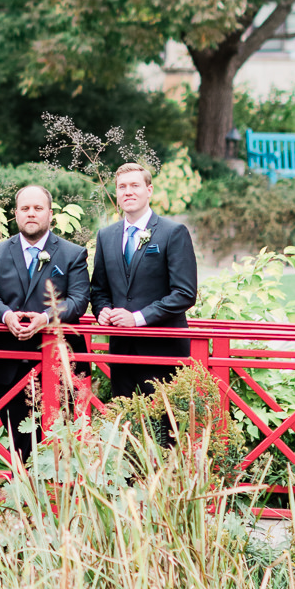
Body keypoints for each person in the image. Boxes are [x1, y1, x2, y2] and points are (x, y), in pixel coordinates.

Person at [0, 185, 91, 461]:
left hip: (59, 360)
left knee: (58, 440)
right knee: (17, 437)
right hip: (8, 357)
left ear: (50, 214)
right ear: (15, 214)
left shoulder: (72, 253)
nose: (31, 214)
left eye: (38, 208)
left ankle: (56, 500)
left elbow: (79, 300)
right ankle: (22, 497)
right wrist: (6, 316)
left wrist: (46, 318)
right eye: (25, 209)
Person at [88, 162, 198, 420]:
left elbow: (184, 293)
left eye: (135, 185)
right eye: (122, 187)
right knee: (123, 427)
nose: (128, 192)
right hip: (121, 352)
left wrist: (137, 318)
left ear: (149, 190)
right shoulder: (106, 236)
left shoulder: (173, 233)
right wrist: (102, 310)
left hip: (163, 351)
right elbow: (99, 289)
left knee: (166, 430)